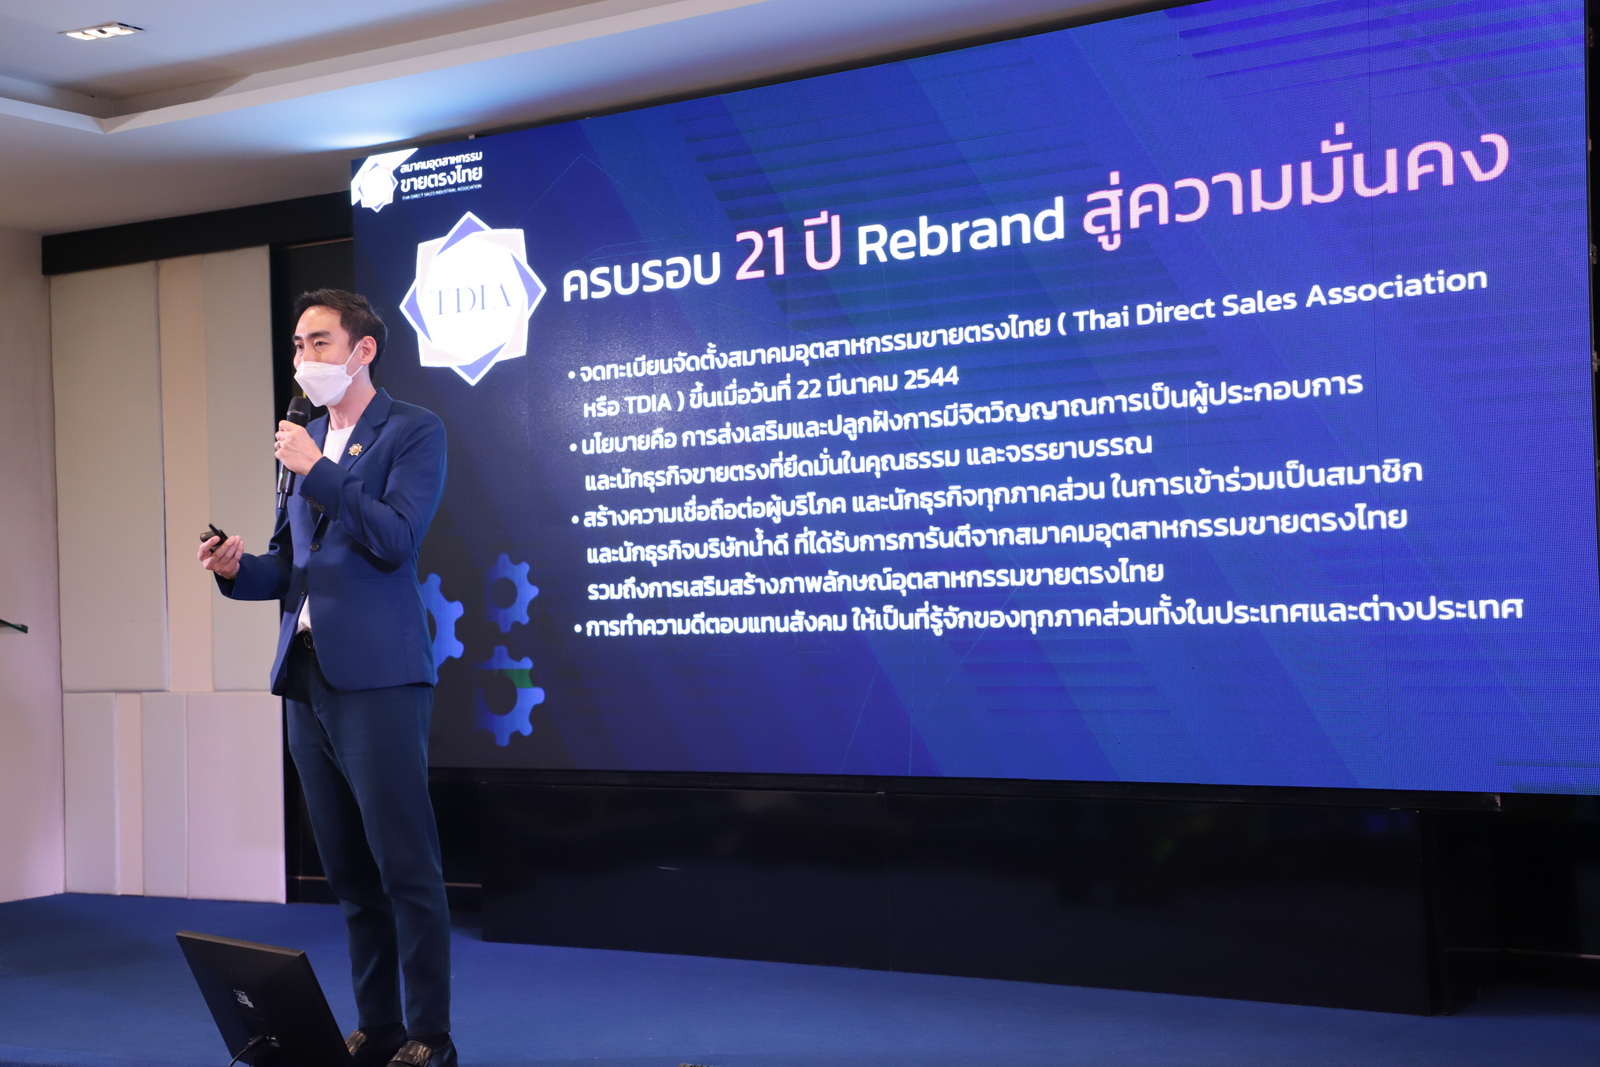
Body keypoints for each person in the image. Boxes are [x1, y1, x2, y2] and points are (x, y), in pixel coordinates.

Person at [198, 289, 456, 1067]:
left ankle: (430, 1036)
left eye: (318, 342)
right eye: (297, 345)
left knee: (405, 866)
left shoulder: (412, 430)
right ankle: (378, 1026)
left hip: (379, 678)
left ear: (362, 349)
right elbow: (292, 565)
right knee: (348, 872)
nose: (302, 358)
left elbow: (395, 538)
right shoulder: (304, 439)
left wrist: (320, 472)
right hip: (307, 677)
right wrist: (236, 568)